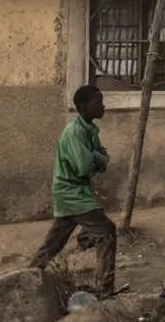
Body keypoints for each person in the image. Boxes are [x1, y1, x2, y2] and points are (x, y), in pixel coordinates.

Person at [29, 85, 118, 295]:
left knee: (53, 244)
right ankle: (106, 288)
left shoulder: (89, 130)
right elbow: (86, 166)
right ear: (83, 106)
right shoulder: (75, 131)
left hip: (72, 192)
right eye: (98, 102)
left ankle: (27, 279)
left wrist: (96, 157)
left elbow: (102, 161)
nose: (103, 106)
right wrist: (97, 157)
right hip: (72, 192)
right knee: (106, 231)